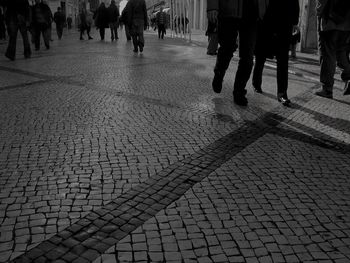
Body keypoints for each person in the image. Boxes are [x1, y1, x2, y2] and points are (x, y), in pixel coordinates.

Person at [207, 0, 269, 106]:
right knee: (227, 48)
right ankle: (219, 73)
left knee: (248, 57)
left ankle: (239, 91)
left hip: (252, 12)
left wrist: (266, 11)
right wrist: (212, 6)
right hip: (228, 10)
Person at [252, 0, 299, 106]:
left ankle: (282, 94)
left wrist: (295, 22)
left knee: (283, 61)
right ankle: (256, 82)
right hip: (266, 24)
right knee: (261, 57)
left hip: (284, 26)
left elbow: (295, 3)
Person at [315, 0, 350, 98]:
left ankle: (327, 89)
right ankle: (349, 77)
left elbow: (321, 3)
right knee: (341, 53)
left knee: (327, 56)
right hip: (346, 26)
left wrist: (318, 14)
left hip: (330, 23)